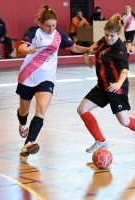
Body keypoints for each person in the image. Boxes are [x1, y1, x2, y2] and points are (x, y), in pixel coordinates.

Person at [16, 4, 91, 157]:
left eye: (53, 26)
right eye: (48, 26)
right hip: (28, 76)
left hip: (46, 78)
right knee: (24, 112)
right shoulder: (34, 32)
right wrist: (28, 50)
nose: (51, 29)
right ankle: (23, 123)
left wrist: (88, 49)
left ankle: (28, 144)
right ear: (41, 24)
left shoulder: (58, 35)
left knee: (41, 109)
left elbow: (74, 47)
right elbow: (22, 47)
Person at [78, 14, 135, 153]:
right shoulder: (103, 40)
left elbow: (124, 71)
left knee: (124, 121)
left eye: (111, 36)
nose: (108, 38)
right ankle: (101, 141)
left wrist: (118, 83)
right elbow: (93, 47)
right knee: (82, 109)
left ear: (118, 34)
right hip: (102, 86)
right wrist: (86, 54)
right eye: (106, 34)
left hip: (116, 88)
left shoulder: (120, 49)